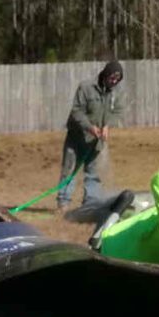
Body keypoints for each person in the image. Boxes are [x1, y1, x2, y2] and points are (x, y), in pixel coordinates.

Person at [60, 60, 124, 210]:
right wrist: (90, 127)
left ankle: (90, 204)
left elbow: (118, 112)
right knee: (69, 170)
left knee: (93, 173)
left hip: (97, 141)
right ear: (105, 74)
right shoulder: (86, 87)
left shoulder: (116, 93)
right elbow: (76, 111)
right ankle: (63, 202)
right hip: (77, 137)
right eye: (112, 78)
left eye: (117, 79)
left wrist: (107, 126)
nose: (114, 82)